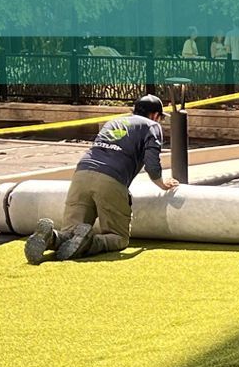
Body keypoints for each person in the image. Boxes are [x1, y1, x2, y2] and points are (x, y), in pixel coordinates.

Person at [25, 94, 179, 264]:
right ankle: (89, 242)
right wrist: (162, 184)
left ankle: (51, 237)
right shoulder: (152, 126)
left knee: (70, 232)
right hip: (111, 179)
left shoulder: (114, 122)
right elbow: (151, 163)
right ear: (155, 115)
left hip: (81, 174)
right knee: (118, 237)